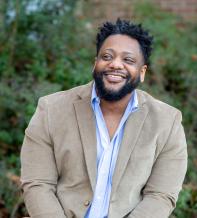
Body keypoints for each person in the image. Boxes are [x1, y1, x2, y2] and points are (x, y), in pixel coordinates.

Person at [20, 19, 187, 218]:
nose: (116, 64)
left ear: (142, 72)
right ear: (95, 63)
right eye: (107, 56)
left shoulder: (167, 122)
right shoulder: (50, 110)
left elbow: (161, 195)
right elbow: (37, 184)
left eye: (128, 60)